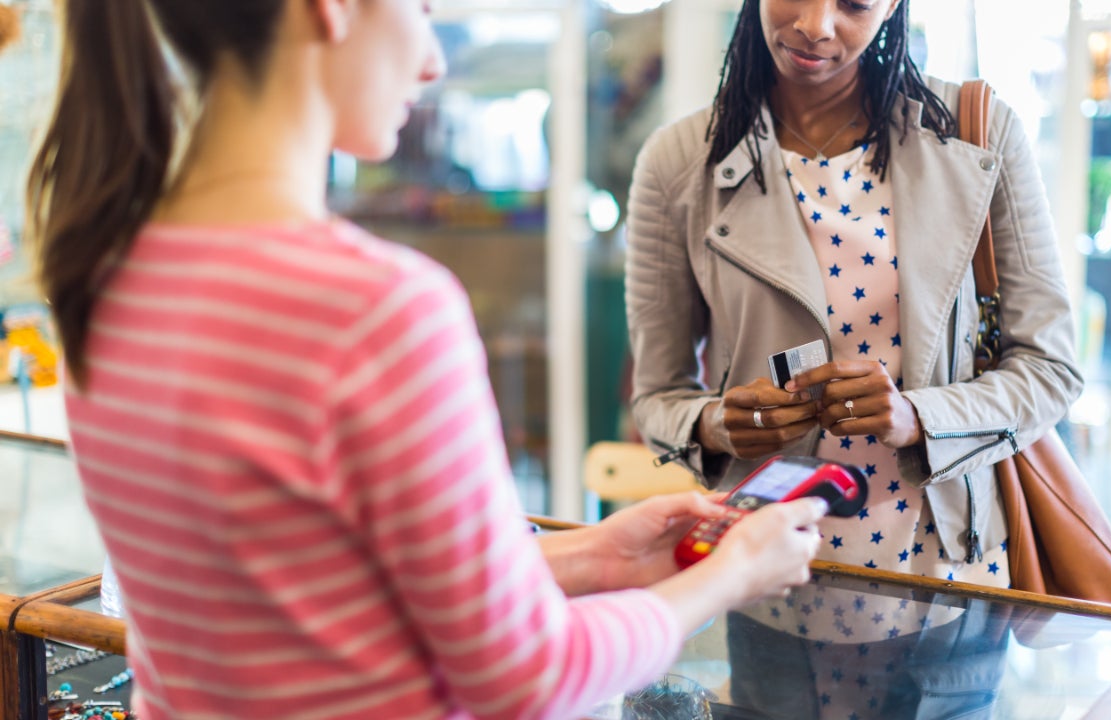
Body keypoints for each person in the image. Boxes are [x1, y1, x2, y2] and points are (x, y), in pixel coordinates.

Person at [25, 2, 827, 718]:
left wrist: (596, 554)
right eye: (423, 9)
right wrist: (727, 578)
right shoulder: (377, 310)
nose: (434, 61)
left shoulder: (105, 277)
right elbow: (528, 677)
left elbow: (302, 588)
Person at [626, 0, 1081, 630]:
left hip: (951, 586)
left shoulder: (979, 133)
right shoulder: (677, 162)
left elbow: (1050, 370)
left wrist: (919, 416)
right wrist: (716, 425)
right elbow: (656, 396)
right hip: (765, 587)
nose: (815, 25)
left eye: (855, 3)